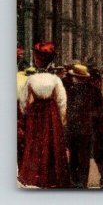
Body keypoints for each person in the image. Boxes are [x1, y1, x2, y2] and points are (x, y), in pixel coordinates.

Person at [18, 41, 70, 188]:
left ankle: (35, 177)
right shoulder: (55, 80)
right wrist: (61, 121)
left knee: (35, 144)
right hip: (51, 114)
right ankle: (53, 178)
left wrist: (26, 115)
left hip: (36, 115)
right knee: (53, 145)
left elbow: (23, 102)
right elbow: (61, 102)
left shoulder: (31, 79)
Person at [65, 64, 101, 188]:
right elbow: (99, 110)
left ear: (75, 77)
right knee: (84, 157)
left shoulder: (69, 90)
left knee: (74, 157)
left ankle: (74, 181)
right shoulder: (94, 90)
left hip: (73, 129)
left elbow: (66, 110)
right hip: (87, 129)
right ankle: (82, 182)